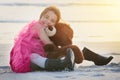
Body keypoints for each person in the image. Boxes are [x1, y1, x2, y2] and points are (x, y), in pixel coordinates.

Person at [10, 5, 75, 73]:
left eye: (52, 21)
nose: (48, 21)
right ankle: (59, 64)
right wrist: (57, 49)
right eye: (46, 17)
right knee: (34, 56)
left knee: (43, 57)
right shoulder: (38, 26)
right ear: (41, 16)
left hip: (36, 60)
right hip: (24, 58)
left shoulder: (48, 31)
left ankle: (65, 62)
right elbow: (46, 41)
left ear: (55, 25)